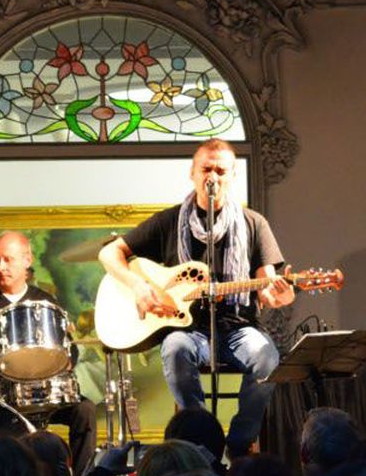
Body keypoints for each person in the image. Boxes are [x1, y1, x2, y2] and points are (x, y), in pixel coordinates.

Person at [99, 138, 294, 457]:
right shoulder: (168, 222)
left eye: (221, 170)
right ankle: (202, 438)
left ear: (232, 176)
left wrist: (277, 295)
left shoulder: (254, 224)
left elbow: (267, 284)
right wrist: (137, 285)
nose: (213, 176)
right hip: (188, 331)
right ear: (192, 173)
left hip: (238, 327)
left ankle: (240, 442)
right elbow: (109, 254)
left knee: (267, 358)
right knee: (175, 349)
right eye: (206, 169)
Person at [0, 231, 97, 476]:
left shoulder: (45, 301)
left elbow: (69, 349)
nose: (1, 267)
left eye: (8, 259)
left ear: (27, 260)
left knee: (85, 411)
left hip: (41, 393)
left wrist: (65, 361)